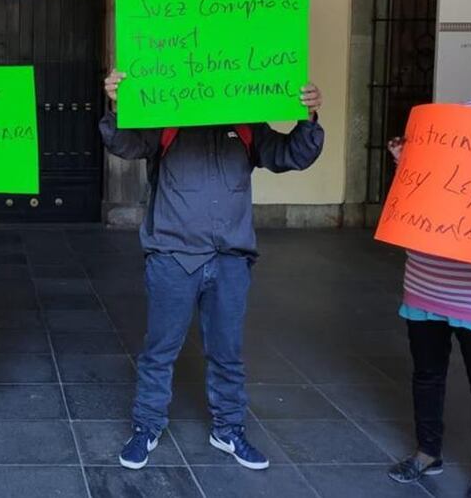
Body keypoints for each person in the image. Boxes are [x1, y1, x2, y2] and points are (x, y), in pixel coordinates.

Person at [100, 70, 324, 471]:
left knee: (227, 353)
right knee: (160, 351)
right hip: (173, 256)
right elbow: (125, 143)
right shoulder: (166, 118)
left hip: (230, 258)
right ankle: (147, 426)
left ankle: (229, 429)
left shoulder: (247, 122)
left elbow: (289, 155)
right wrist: (117, 104)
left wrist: (307, 118)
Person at [384, 101, 471, 498]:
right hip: (425, 287)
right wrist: (404, 164)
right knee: (427, 375)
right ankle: (427, 452)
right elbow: (406, 209)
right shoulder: (429, 164)